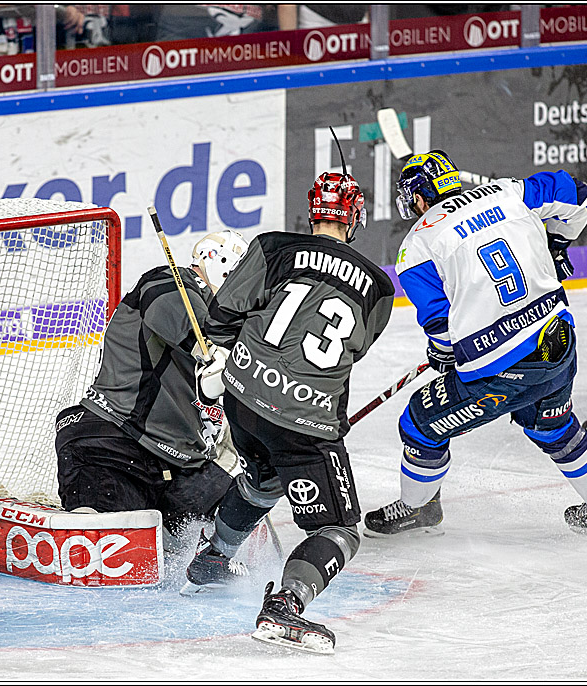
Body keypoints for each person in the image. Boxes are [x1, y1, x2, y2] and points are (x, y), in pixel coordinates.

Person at [363, 151, 587, 539]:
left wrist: (443, 353)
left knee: (420, 423)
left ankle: (419, 507)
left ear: (419, 199)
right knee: (549, 423)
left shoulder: (418, 242)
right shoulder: (507, 193)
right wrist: (556, 243)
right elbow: (579, 193)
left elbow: (440, 326)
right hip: (557, 341)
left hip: (502, 369)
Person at [180, 170, 395, 655]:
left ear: (312, 210)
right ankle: (286, 605)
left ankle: (215, 558)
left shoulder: (272, 246)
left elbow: (220, 318)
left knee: (262, 479)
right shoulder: (379, 287)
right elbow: (350, 352)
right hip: (303, 420)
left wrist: (230, 355)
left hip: (242, 397)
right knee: (337, 531)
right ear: (355, 215)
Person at [53, 230, 248, 554]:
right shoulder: (172, 282)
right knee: (100, 544)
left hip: (173, 463)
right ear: (223, 267)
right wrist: (214, 351)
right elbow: (176, 316)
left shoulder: (226, 326)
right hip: (113, 440)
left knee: (248, 487)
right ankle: (82, 524)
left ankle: (203, 551)